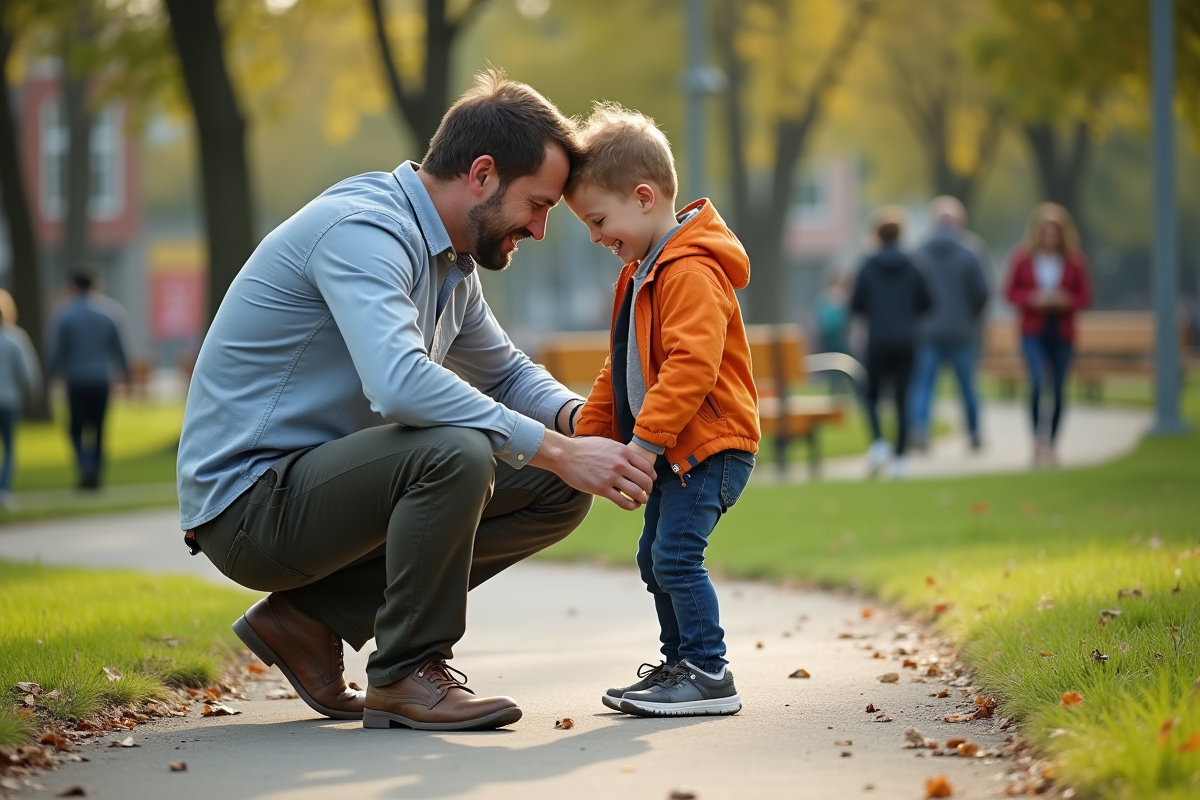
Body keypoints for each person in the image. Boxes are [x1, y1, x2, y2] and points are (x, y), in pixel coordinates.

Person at [177, 71, 655, 733]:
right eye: (538, 205)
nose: (541, 229)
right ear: (482, 175)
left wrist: (590, 428)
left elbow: (507, 375)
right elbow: (398, 382)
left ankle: (308, 622)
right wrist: (555, 449)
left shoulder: (450, 260)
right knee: (456, 450)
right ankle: (408, 672)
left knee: (556, 488)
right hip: (250, 504)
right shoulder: (365, 229)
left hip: (320, 488)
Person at [565, 103, 759, 717]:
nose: (596, 237)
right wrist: (580, 433)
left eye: (599, 221)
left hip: (709, 446)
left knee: (676, 555)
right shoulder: (643, 271)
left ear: (644, 197)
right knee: (655, 559)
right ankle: (681, 666)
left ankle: (708, 670)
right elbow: (617, 369)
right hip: (678, 448)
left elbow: (691, 368)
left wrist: (643, 445)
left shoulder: (691, 270)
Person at [1003, 202, 1093, 466]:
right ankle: (1036, 441)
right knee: (1036, 382)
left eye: (1054, 232)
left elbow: (1085, 296)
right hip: (1033, 328)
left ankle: (1052, 443)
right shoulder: (1022, 258)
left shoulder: (1074, 261)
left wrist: (1066, 300)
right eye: (1045, 231)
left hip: (1061, 328)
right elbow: (1010, 293)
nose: (1049, 237)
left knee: (1058, 388)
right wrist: (1032, 298)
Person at [850, 208, 931, 478]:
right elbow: (927, 302)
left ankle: (878, 442)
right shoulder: (914, 266)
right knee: (902, 399)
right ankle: (899, 458)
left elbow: (856, 305)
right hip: (906, 341)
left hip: (878, 340)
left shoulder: (867, 266)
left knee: (870, 396)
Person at [909, 196, 990, 452]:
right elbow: (982, 293)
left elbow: (912, 294)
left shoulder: (918, 252)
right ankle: (974, 432)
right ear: (959, 221)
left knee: (923, 386)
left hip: (927, 331)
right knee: (967, 386)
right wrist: (969, 316)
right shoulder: (972, 250)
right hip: (961, 330)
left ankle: (920, 431)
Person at [47, 271, 130, 490]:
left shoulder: (64, 315)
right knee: (99, 428)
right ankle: (95, 473)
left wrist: (51, 376)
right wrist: (127, 374)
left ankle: (86, 466)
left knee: (76, 428)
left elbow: (56, 352)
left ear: (73, 286)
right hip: (102, 379)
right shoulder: (110, 313)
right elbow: (121, 349)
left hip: (76, 380)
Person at [0, 290, 41, 509]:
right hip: (8, 400)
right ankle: (3, 490)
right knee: (9, 448)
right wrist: (32, 392)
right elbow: (28, 373)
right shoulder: (15, 339)